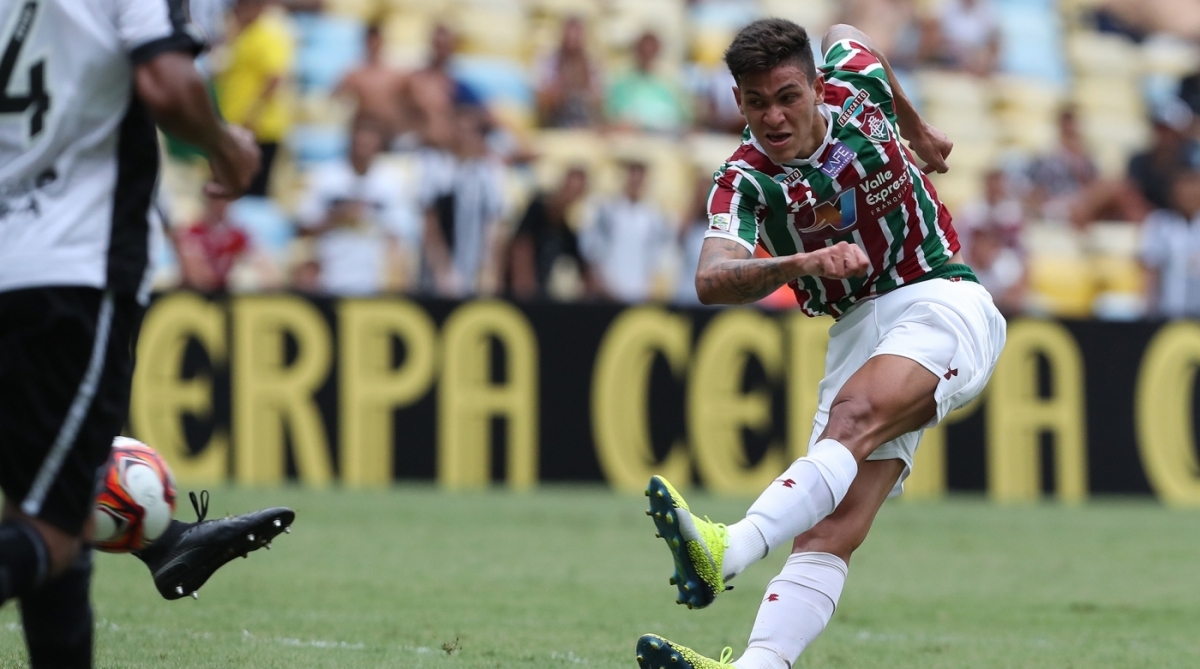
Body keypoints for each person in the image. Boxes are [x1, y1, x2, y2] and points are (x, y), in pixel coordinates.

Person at [633, 19, 1007, 669]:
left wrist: (917, 130)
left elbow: (849, 30)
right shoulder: (744, 179)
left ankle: (728, 548)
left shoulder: (856, 84)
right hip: (856, 328)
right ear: (736, 102)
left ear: (815, 86)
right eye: (755, 102)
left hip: (942, 291)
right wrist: (799, 266)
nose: (773, 117)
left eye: (787, 95)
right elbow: (710, 278)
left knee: (854, 418)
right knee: (827, 529)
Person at [0, 1, 291, 665]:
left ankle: (168, 543)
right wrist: (225, 145)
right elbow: (167, 79)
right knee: (50, 529)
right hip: (68, 267)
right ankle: (168, 541)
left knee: (50, 506)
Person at [296, 120, 422, 295]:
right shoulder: (324, 177)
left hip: (374, 276)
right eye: (359, 145)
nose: (362, 152)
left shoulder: (391, 182)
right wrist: (339, 217)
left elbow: (401, 232)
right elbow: (303, 228)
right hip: (328, 271)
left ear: (378, 149)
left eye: (368, 146)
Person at [420, 107, 507, 296]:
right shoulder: (437, 167)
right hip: (441, 271)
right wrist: (442, 268)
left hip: (474, 268)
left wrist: (490, 270)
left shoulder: (488, 172)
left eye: (471, 133)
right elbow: (430, 222)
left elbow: (493, 224)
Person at [215, 0, 295, 196]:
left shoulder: (268, 33)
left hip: (259, 128)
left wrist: (252, 116)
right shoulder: (242, 33)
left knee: (252, 190)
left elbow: (275, 78)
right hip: (238, 125)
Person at [580, 160, 675, 303]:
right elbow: (592, 254)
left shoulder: (655, 216)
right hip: (607, 296)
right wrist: (605, 289)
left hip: (641, 297)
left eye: (640, 174)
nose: (635, 179)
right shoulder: (606, 211)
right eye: (632, 173)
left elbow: (660, 257)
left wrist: (650, 290)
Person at [508, 166, 596, 300]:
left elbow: (583, 268)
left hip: (549, 295)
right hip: (529, 294)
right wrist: (525, 292)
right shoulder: (538, 209)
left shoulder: (571, 229)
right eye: (570, 190)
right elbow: (522, 247)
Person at [174, 193, 281, 292]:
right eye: (217, 199)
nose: (222, 204)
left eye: (225, 199)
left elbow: (269, 272)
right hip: (196, 294)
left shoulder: (238, 234)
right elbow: (198, 277)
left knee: (247, 277)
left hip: (226, 291)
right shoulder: (192, 233)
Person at [400, 23, 482, 149]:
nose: (441, 50)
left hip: (447, 147)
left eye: (445, 46)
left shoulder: (456, 85)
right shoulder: (415, 80)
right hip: (420, 146)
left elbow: (482, 113)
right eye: (438, 45)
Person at [1140, 162, 1200, 318]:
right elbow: (1151, 272)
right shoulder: (1159, 223)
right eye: (1184, 185)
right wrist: (1148, 314)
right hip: (1167, 316)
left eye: (1194, 184)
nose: (1190, 192)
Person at [606, 31, 691, 133]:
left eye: (651, 51)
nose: (647, 55)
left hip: (666, 138)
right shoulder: (621, 82)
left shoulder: (670, 84)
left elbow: (685, 118)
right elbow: (612, 115)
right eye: (643, 51)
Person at [334, 23, 406, 141]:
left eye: (376, 41)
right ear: (365, 43)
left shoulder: (395, 75)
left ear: (381, 42)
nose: (373, 45)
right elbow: (336, 97)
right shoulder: (355, 74)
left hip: (389, 130)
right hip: (365, 129)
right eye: (370, 41)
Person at [1128, 98, 1199, 212]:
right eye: (1160, 129)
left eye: (1170, 131)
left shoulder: (1192, 159)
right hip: (1148, 218)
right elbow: (1132, 196)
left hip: (1182, 219)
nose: (1165, 136)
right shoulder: (1139, 161)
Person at [536, 16, 603, 129]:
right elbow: (542, 99)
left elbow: (598, 100)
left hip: (585, 120)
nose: (572, 38)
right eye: (569, 34)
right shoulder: (549, 61)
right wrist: (561, 90)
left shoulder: (592, 63)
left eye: (576, 34)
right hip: (556, 120)